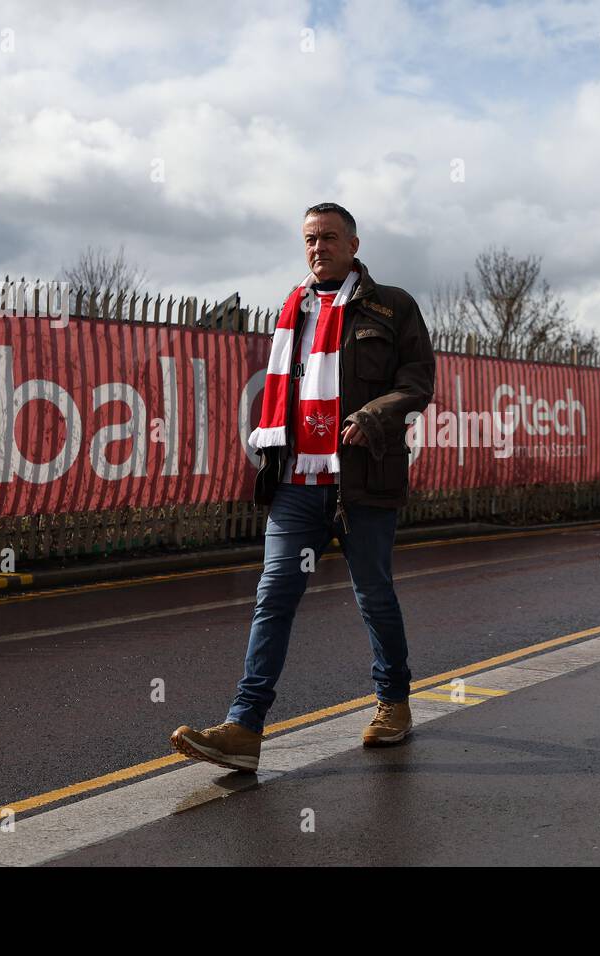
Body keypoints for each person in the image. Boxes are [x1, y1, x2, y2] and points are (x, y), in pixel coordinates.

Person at [171, 203, 436, 770]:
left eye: (330, 239)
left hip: (362, 480)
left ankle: (394, 702)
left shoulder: (394, 306)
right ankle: (245, 727)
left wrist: (373, 416)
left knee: (374, 595)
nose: (318, 248)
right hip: (295, 479)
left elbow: (417, 382)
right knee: (274, 595)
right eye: (310, 240)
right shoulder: (292, 309)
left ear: (355, 244)